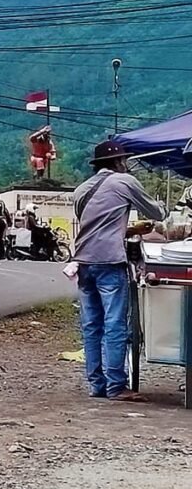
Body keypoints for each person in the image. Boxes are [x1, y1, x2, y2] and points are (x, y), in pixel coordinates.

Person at [73, 140, 165, 402]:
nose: (125, 164)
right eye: (123, 160)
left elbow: (95, 228)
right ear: (117, 162)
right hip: (110, 261)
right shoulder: (124, 181)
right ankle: (116, 385)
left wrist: (129, 230)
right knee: (114, 323)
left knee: (92, 325)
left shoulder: (81, 190)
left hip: (83, 260)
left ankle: (96, 385)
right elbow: (156, 213)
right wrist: (156, 212)